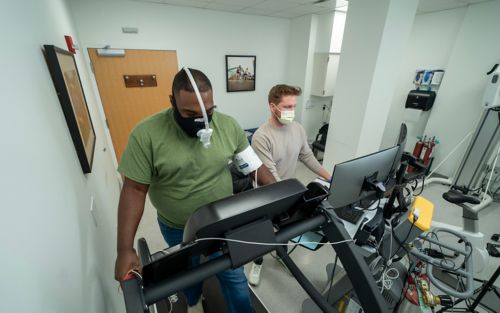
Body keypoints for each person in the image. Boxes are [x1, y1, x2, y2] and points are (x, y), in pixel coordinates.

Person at [114, 68, 276, 313]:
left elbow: (254, 167)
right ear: (172, 102)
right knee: (188, 273)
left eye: (208, 112)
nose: (200, 120)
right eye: (190, 113)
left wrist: (280, 195)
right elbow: (135, 190)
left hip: (223, 223)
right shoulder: (146, 135)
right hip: (177, 226)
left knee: (235, 280)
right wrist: (124, 249)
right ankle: (193, 300)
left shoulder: (228, 126)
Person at [248, 84, 332, 286]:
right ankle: (257, 261)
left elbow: (307, 157)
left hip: (288, 191)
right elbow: (272, 177)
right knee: (264, 232)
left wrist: (329, 177)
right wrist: (296, 197)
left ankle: (281, 255)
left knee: (286, 229)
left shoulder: (298, 129)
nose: (291, 112)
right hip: (267, 195)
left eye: (294, 106)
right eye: (287, 107)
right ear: (272, 107)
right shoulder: (262, 137)